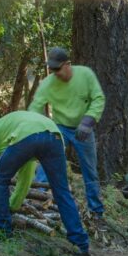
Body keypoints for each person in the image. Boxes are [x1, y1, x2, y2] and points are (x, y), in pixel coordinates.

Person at [0, 111, 90, 256]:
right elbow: (26, 176)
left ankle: (2, 232)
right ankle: (81, 245)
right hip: (55, 135)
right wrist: (14, 205)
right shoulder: (11, 127)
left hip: (28, 135)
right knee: (62, 191)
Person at [29, 47, 106, 221]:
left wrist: (89, 120)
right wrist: (37, 126)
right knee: (46, 162)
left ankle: (96, 211)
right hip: (60, 128)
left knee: (90, 169)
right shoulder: (48, 84)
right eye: (53, 69)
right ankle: (36, 198)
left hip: (83, 127)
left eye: (58, 68)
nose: (56, 72)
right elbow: (35, 107)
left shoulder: (85, 75)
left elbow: (98, 98)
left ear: (68, 64)